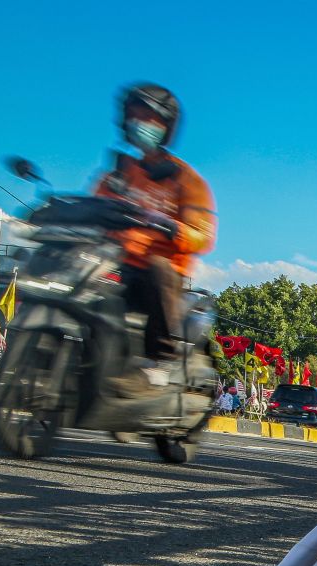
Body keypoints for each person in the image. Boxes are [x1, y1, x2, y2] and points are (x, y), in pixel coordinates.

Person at [97, 83, 218, 396]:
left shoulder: (186, 180)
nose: (140, 124)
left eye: (148, 119)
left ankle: (160, 363)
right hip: (117, 264)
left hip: (162, 274)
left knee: (157, 267)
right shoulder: (121, 172)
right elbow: (95, 204)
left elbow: (203, 234)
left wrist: (175, 228)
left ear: (165, 127)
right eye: (134, 116)